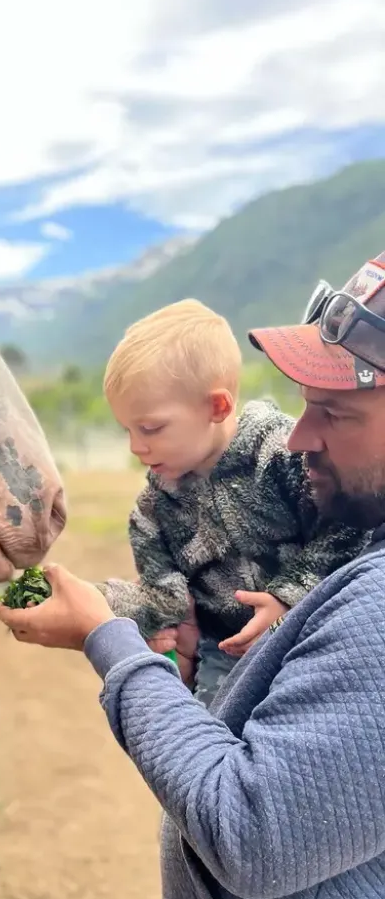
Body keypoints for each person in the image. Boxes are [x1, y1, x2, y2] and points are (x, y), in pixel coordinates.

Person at [0, 252, 385, 899]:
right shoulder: (163, 502)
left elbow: (246, 829)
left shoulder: (368, 598)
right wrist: (155, 626)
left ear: (215, 409)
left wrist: (108, 641)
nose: (301, 439)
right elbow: (164, 582)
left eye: (335, 412)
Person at [96, 298, 368, 705]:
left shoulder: (284, 456)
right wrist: (99, 606)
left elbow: (348, 526)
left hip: (310, 633)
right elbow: (166, 599)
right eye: (127, 431)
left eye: (151, 428)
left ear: (217, 407)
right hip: (224, 651)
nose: (137, 446)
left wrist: (287, 599)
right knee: (216, 737)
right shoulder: (154, 510)